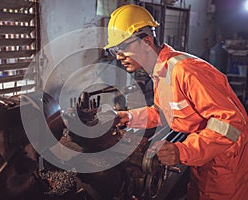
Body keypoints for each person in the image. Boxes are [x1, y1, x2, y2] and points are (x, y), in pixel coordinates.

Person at [104, 4, 248, 200]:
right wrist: (128, 117)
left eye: (122, 48)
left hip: (226, 161)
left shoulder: (185, 70)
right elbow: (164, 112)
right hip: (204, 157)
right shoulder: (160, 73)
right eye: (115, 51)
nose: (119, 57)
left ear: (146, 41)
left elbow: (231, 122)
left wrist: (183, 150)